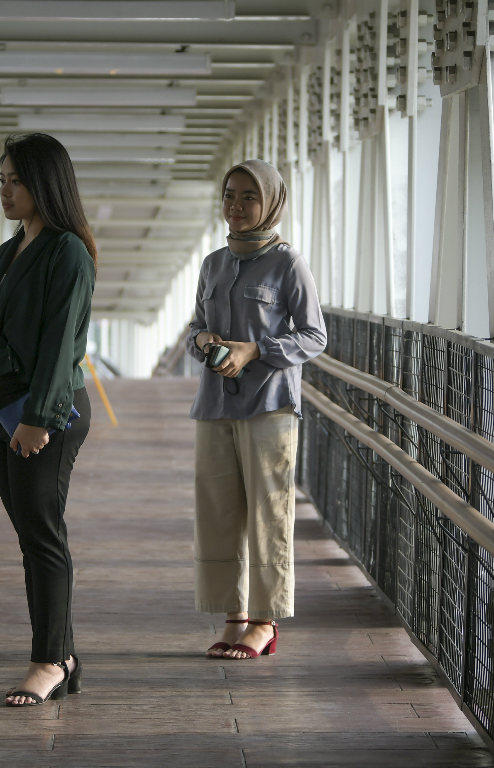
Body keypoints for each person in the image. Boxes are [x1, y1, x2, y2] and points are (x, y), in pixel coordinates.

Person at [186, 159, 326, 661]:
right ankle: (233, 613)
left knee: (268, 511)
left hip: (269, 405)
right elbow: (194, 328)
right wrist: (203, 341)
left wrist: (255, 350)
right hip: (215, 403)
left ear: (271, 202)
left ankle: (264, 621)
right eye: (229, 195)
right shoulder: (213, 264)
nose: (237, 206)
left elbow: (315, 336)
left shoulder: (288, 263)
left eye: (249, 196)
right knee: (218, 510)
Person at [0, 134, 96, 707]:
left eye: (15, 180)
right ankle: (61, 654)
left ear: (44, 184)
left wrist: (38, 419)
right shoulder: (4, 256)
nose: (5, 190)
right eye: (2, 179)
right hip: (3, 412)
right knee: (31, 536)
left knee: (43, 533)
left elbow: (60, 345)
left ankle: (49, 659)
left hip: (46, 411)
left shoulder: (66, 252)